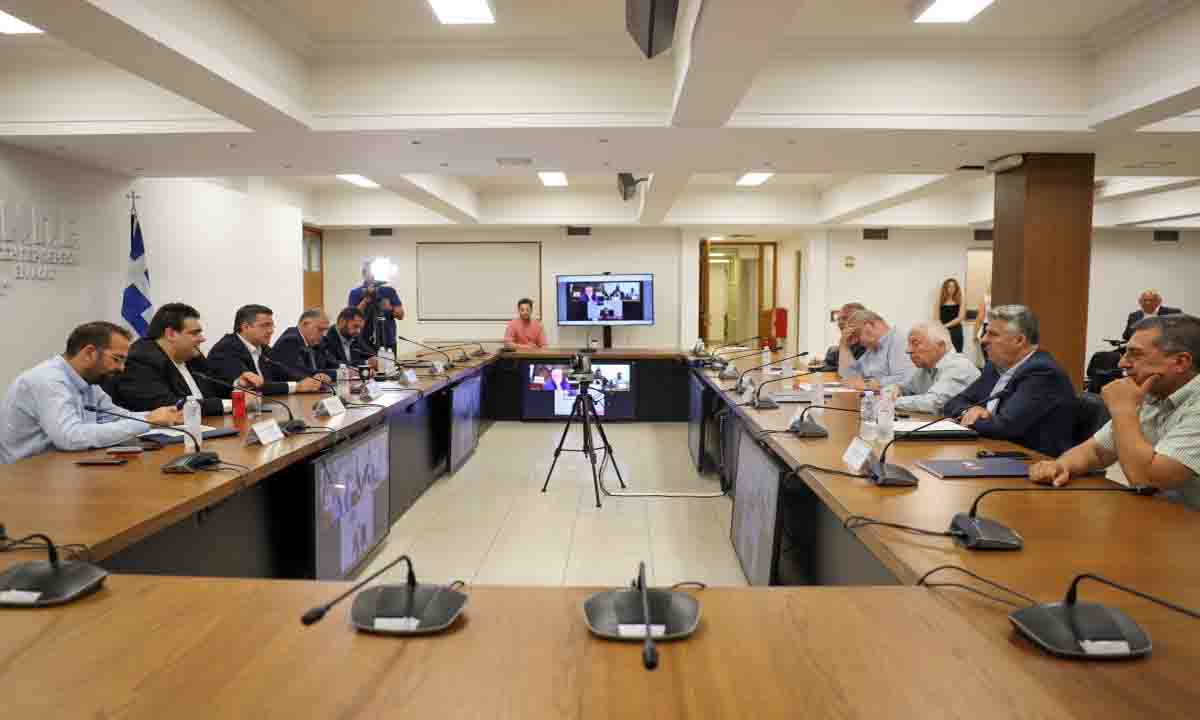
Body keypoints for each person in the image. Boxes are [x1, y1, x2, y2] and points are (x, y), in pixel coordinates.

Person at [1031, 314, 1200, 507]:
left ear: (1180, 362)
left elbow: (1147, 480)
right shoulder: (1153, 394)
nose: (1122, 363)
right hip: (1165, 514)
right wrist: (1061, 465)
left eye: (1135, 354)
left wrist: (1123, 410)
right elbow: (1096, 451)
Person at [0, 322, 181, 463]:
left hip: (66, 466)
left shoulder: (89, 383)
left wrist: (162, 416)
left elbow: (118, 417)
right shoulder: (48, 380)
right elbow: (70, 438)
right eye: (117, 359)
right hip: (26, 477)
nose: (122, 368)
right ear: (89, 353)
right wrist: (148, 421)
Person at [944, 305, 1076, 457]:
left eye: (993, 334)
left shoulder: (1042, 372)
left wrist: (971, 419)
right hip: (993, 451)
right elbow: (953, 403)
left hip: (1034, 460)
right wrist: (970, 411)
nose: (983, 340)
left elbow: (1004, 427)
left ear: (1019, 340)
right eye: (986, 332)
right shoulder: (995, 367)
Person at [108, 303, 262, 416]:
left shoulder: (192, 356)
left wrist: (238, 385)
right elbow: (169, 406)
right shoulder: (141, 360)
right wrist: (235, 403)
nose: (202, 339)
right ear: (171, 334)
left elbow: (213, 389)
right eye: (195, 333)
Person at [208, 305, 324, 396]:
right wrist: (297, 386)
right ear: (245, 327)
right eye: (265, 325)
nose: (271, 331)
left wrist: (312, 379)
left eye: (272, 326)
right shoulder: (226, 349)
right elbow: (252, 386)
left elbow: (284, 372)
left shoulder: (263, 349)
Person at [889, 322, 981, 415]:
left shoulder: (959, 366)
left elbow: (934, 403)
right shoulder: (926, 367)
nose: (908, 350)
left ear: (940, 345)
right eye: (909, 344)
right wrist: (896, 388)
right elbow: (906, 389)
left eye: (915, 343)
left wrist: (890, 401)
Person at [838, 309, 916, 391]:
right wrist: (844, 345)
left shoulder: (899, 340)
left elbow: (907, 378)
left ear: (869, 327)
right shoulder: (873, 348)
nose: (856, 342)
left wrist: (870, 384)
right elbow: (850, 377)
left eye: (857, 335)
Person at [348, 260, 403, 352]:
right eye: (370, 271)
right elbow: (351, 317)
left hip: (387, 340)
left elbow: (401, 316)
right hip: (363, 341)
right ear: (364, 274)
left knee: (388, 361)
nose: (373, 275)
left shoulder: (389, 291)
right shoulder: (356, 292)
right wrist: (365, 300)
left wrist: (390, 308)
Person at [273, 309, 337, 382]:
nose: (323, 334)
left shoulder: (315, 343)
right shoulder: (290, 340)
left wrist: (344, 371)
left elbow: (332, 363)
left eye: (325, 330)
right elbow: (300, 372)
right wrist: (337, 374)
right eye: (320, 329)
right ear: (305, 324)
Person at [823, 302, 867, 367]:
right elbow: (827, 366)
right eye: (838, 319)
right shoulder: (833, 351)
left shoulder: (872, 348)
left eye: (845, 318)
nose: (840, 323)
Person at [937, 278, 966, 353]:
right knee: (942, 354)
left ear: (956, 288)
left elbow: (960, 317)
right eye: (949, 286)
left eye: (953, 286)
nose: (951, 289)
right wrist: (942, 328)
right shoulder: (939, 302)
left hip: (956, 331)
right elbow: (936, 318)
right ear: (945, 288)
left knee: (957, 353)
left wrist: (945, 326)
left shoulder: (960, 301)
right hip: (942, 331)